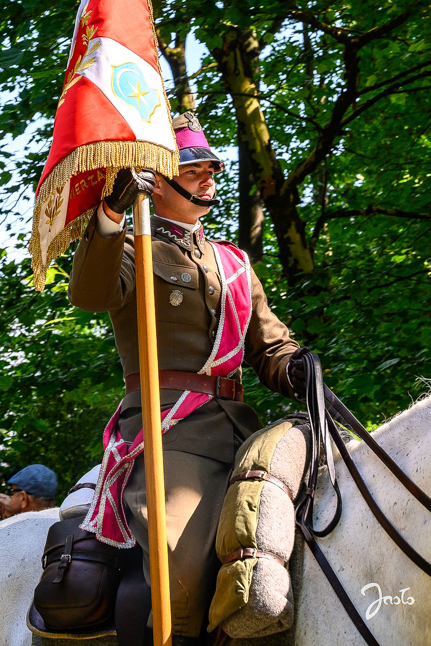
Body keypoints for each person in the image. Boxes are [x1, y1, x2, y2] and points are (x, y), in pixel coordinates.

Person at [68, 112, 307, 646]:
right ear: (159, 178)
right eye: (195, 166)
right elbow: (89, 292)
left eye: (212, 165)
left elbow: (269, 346)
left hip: (243, 434)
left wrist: (296, 366)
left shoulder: (235, 264)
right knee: (178, 566)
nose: (209, 173)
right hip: (169, 432)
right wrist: (110, 211)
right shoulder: (130, 247)